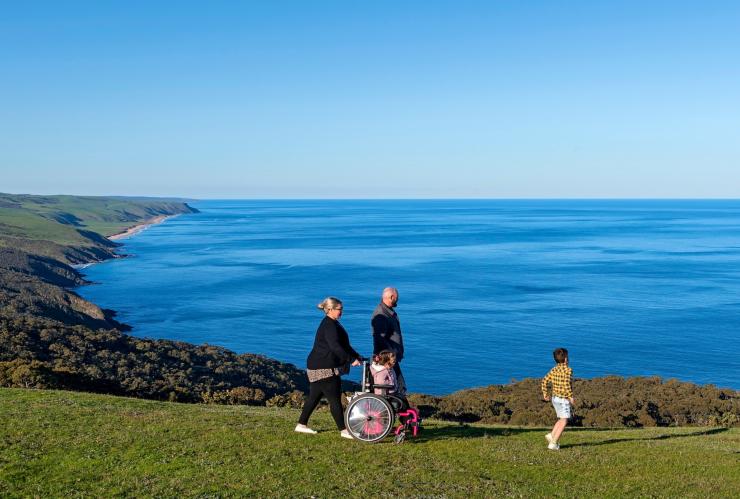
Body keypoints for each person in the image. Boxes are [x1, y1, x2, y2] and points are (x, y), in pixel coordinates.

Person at [295, 297, 361, 439]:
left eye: (341, 309)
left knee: (314, 397)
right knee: (335, 398)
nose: (341, 312)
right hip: (323, 368)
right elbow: (335, 347)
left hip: (317, 365)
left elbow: (344, 345)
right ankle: (344, 430)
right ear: (330, 310)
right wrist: (350, 359)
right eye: (339, 309)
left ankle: (301, 424)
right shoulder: (329, 325)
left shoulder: (332, 323)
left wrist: (356, 356)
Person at [371, 287, 406, 396]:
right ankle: (402, 411)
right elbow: (379, 338)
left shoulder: (387, 311)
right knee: (399, 386)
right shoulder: (381, 314)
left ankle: (399, 410)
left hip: (389, 358)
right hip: (387, 359)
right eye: (397, 298)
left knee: (397, 385)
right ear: (392, 297)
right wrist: (391, 355)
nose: (397, 300)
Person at [541, 347, 575, 451]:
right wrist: (571, 397)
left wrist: (545, 393)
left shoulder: (554, 369)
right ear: (566, 359)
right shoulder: (568, 370)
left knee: (561, 418)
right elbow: (566, 385)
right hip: (563, 399)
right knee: (564, 421)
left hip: (554, 398)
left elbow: (544, 381)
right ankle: (553, 443)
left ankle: (551, 435)